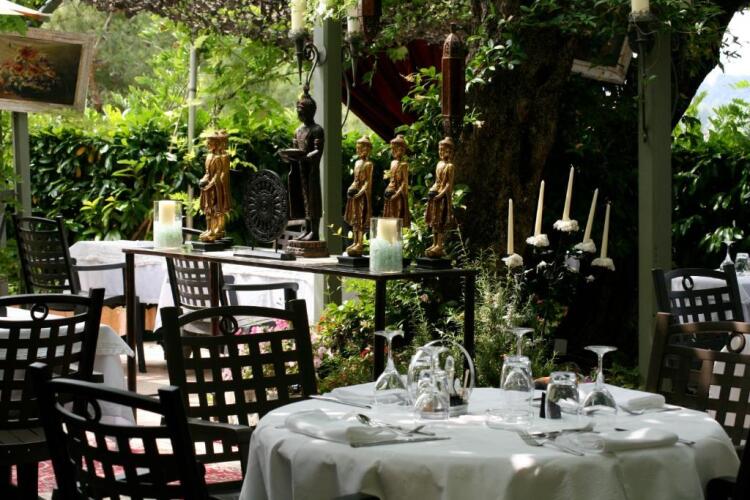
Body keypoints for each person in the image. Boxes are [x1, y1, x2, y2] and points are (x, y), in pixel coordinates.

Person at [288, 88, 324, 241]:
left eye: (302, 111)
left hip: (311, 170)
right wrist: (289, 156)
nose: (299, 114)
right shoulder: (298, 131)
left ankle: (314, 232)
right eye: (298, 111)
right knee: (302, 200)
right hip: (300, 170)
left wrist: (307, 156)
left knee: (313, 200)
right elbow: (294, 148)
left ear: (310, 112)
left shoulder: (317, 130)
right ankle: (306, 229)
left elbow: (318, 150)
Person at [425, 137, 456, 258]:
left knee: (440, 221)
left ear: (449, 151)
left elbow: (448, 185)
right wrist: (432, 190)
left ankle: (439, 245)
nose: (441, 152)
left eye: (444, 150)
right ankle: (434, 243)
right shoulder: (439, 164)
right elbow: (437, 181)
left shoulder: (450, 166)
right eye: (440, 150)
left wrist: (440, 194)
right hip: (435, 195)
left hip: (442, 198)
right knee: (434, 221)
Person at [344, 136, 373, 256]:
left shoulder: (369, 164)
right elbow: (355, 180)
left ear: (366, 149)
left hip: (362, 196)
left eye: (360, 148)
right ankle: (355, 241)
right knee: (355, 218)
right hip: (355, 194)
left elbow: (367, 182)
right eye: (357, 148)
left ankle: (360, 243)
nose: (358, 151)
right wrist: (350, 189)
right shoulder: (357, 163)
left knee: (361, 218)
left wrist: (360, 192)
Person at [198, 130, 231, 242]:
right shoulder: (208, 157)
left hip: (215, 187)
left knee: (215, 208)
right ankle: (209, 229)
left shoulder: (219, 158)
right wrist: (203, 180)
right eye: (207, 143)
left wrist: (211, 185)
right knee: (207, 208)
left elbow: (218, 174)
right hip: (208, 188)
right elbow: (207, 173)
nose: (207, 145)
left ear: (216, 144)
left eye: (210, 143)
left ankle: (215, 230)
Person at [382, 134, 410, 227]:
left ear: (402, 150)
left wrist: (397, 194)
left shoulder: (404, 165)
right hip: (390, 191)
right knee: (389, 215)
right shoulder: (393, 162)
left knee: (398, 215)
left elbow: (404, 182)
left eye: (396, 149)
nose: (393, 151)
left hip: (398, 194)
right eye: (392, 149)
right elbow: (391, 178)